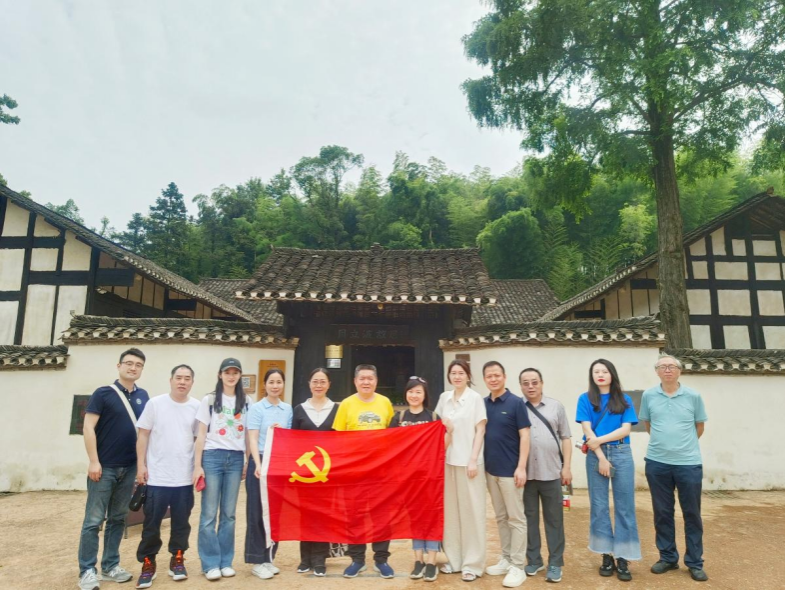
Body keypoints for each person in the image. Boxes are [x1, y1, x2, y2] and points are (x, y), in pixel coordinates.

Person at [78, 348, 149, 590]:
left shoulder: (143, 396)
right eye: (129, 363)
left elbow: (145, 432)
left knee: (118, 518)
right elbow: (88, 427)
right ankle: (87, 570)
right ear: (119, 366)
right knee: (93, 520)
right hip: (104, 467)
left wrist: (142, 464)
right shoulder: (103, 393)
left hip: (129, 467)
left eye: (138, 365)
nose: (133, 367)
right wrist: (93, 460)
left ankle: (110, 566)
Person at [640, 355, 709, 582]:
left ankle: (695, 562)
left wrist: (682, 447)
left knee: (692, 513)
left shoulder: (693, 396)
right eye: (662, 366)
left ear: (680, 371)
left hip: (688, 463)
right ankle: (668, 557)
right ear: (657, 371)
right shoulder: (649, 395)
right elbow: (648, 424)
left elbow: (699, 426)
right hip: (657, 462)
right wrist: (665, 445)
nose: (667, 370)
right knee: (662, 512)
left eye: (672, 366)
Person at [134, 365, 201, 589]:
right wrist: (141, 465)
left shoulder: (197, 407)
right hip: (157, 477)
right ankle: (148, 562)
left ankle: (177, 558)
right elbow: (143, 435)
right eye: (178, 378)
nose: (182, 382)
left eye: (187, 378)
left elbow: (198, 440)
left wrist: (197, 467)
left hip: (183, 477)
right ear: (171, 380)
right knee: (151, 524)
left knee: (181, 522)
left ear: (192, 382)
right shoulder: (155, 404)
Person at [576, 359, 641, 582]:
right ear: (591, 376)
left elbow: (625, 430)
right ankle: (606, 554)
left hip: (621, 453)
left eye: (604, 371)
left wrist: (600, 442)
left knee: (625, 506)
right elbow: (587, 429)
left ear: (612, 374)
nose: (600, 374)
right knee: (599, 505)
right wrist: (602, 457)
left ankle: (623, 557)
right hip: (596, 456)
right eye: (596, 371)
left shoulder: (624, 399)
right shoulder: (585, 399)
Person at [333, 364, 396, 579]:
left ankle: (381, 560)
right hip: (354, 472)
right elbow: (338, 439)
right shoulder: (346, 404)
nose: (366, 382)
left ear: (376, 381)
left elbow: (394, 435)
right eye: (362, 378)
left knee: (382, 516)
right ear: (355, 381)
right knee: (355, 516)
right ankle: (357, 560)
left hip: (381, 471)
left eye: (370, 378)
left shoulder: (385, 403)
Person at [193, 358, 249, 580]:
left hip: (235, 459)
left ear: (240, 376)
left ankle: (226, 561)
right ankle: (210, 563)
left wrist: (247, 460)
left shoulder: (247, 401)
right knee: (208, 513)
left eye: (235, 372)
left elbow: (248, 434)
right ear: (220, 375)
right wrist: (197, 466)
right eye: (227, 372)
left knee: (229, 514)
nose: (231, 376)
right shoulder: (209, 400)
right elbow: (200, 434)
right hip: (212, 457)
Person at [434, 359, 487, 582]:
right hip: (448, 462)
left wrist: (473, 459)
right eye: (453, 373)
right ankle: (453, 560)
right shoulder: (444, 398)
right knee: (450, 513)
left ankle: (472, 564)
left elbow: (480, 430)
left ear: (468, 376)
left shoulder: (475, 398)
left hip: (469, 463)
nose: (457, 376)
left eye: (461, 373)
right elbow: (437, 429)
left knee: (472, 513)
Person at [519, 368, 572, 584]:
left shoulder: (555, 406)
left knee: (554, 520)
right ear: (521, 386)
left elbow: (566, 437)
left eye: (534, 382)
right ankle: (534, 560)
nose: (530, 386)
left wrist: (566, 467)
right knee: (529, 519)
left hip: (552, 472)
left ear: (541, 383)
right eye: (526, 383)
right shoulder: (517, 407)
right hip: (526, 475)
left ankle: (555, 563)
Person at [482, 361, 531, 589]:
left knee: (516, 518)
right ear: (485, 379)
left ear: (504, 377)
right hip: (491, 470)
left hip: (511, 472)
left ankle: (518, 566)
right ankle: (506, 558)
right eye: (489, 376)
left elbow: (525, 436)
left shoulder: (516, 403)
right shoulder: (483, 404)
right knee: (501, 517)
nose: (493, 379)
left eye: (497, 375)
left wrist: (521, 467)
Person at [389, 376, 440, 583]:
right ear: (406, 393)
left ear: (425, 395)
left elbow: (441, 446)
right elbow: (390, 445)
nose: (414, 395)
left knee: (433, 517)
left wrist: (451, 430)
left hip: (430, 477)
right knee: (415, 518)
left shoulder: (434, 417)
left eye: (419, 392)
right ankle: (418, 560)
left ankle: (432, 562)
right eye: (411, 391)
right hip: (408, 478)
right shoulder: (399, 417)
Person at [291, 367, 339, 577]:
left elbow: (341, 441)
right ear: (309, 384)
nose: (318, 385)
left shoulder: (336, 409)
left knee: (323, 516)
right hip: (304, 474)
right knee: (305, 515)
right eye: (315, 381)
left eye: (322, 381)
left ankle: (320, 560)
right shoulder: (299, 409)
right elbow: (291, 441)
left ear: (329, 384)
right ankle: (305, 559)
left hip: (328, 473)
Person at [246, 368, 293, 580]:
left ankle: (269, 558)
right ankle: (257, 560)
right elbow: (253, 438)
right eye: (271, 382)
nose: (275, 386)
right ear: (265, 385)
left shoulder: (287, 409)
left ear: (283, 384)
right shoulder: (257, 408)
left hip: (278, 463)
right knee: (256, 512)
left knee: (275, 513)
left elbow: (289, 438)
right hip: (261, 460)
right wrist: (257, 464)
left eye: (279, 382)